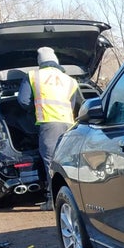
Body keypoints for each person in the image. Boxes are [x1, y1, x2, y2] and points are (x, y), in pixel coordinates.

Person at [18, 46, 84, 210]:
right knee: (68, 162)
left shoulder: (33, 76)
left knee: (51, 162)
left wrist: (33, 112)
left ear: (39, 61)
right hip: (69, 125)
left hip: (49, 124)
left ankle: (53, 201)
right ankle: (75, 198)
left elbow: (23, 101)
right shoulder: (69, 80)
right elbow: (76, 104)